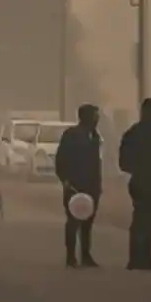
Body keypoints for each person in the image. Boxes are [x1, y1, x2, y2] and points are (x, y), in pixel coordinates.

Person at [118, 98, 151, 271]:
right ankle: (141, 258)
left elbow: (124, 162)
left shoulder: (133, 132)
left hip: (140, 180)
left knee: (142, 220)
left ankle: (140, 257)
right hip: (148, 181)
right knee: (145, 221)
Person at [54, 103, 103, 268]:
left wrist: (98, 186)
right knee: (73, 221)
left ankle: (86, 255)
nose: (98, 118)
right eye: (95, 115)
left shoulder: (94, 136)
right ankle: (70, 256)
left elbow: (96, 164)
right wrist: (65, 179)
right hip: (75, 185)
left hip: (92, 186)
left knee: (88, 223)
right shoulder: (71, 135)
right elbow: (61, 159)